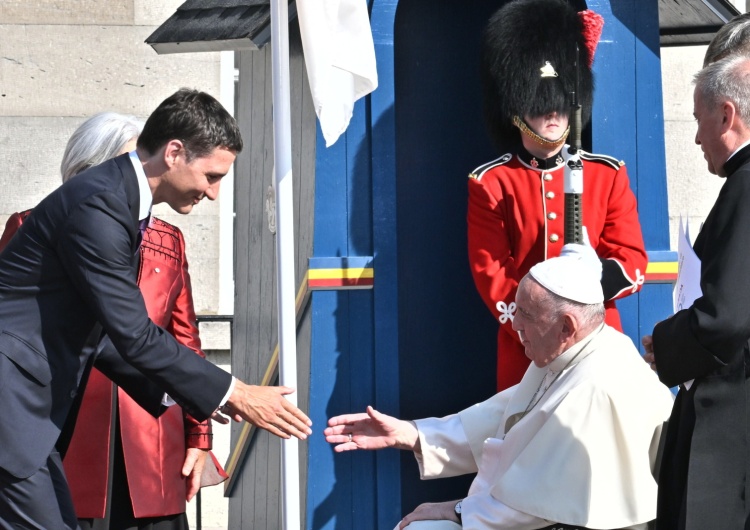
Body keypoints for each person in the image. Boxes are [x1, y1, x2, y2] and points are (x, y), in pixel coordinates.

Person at [0, 88, 312, 529]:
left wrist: (192, 394)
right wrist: (234, 391)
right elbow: (133, 332)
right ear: (174, 152)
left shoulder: (116, 201)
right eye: (212, 175)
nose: (215, 193)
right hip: (13, 409)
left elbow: (104, 338)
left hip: (28, 418)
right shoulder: (101, 205)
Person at [327, 245, 673, 530]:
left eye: (526, 314)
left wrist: (461, 511)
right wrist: (414, 434)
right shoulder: (583, 347)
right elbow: (510, 416)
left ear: (567, 326)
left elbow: (544, 500)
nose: (514, 322)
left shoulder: (595, 385)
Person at [0, 111, 227, 529]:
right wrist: (229, 393)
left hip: (148, 426)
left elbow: (183, 335)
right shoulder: (45, 221)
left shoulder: (165, 238)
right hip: (62, 417)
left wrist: (200, 431)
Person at [468, 0, 648, 391]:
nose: (553, 115)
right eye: (538, 106)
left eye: (560, 105)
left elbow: (632, 261)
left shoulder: (607, 175)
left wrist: (589, 290)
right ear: (516, 110)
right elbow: (492, 275)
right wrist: (538, 331)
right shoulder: (492, 183)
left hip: (597, 346)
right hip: (525, 352)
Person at [642, 54, 750, 529]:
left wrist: (664, 345)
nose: (696, 137)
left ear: (726, 115)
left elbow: (727, 315)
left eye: (698, 119)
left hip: (731, 419)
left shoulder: (746, 186)